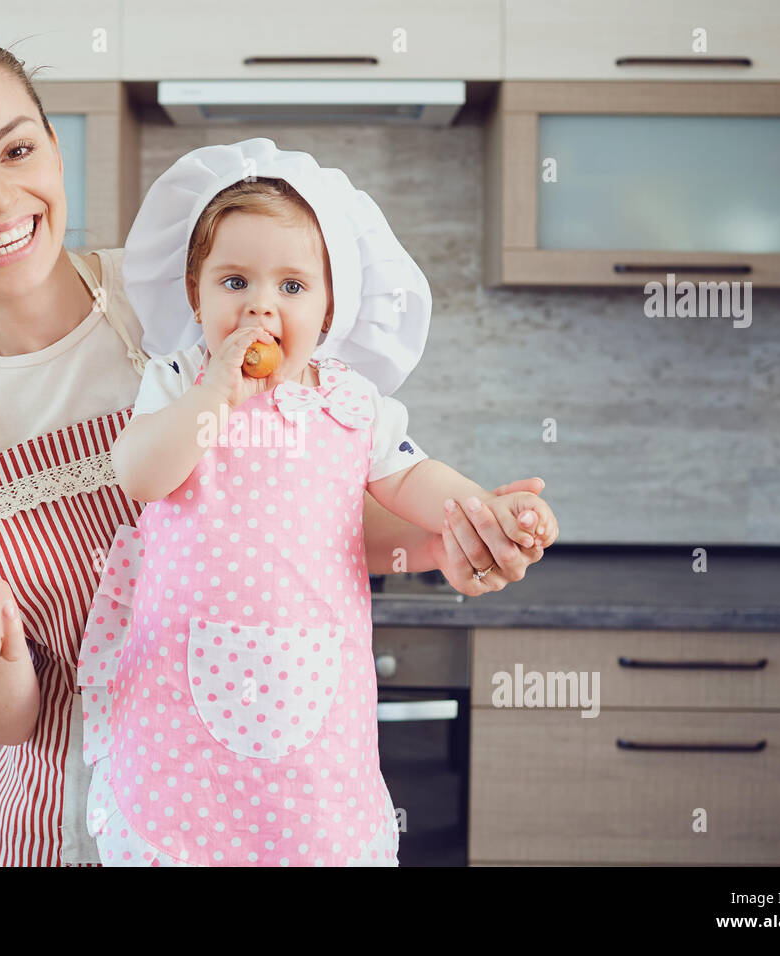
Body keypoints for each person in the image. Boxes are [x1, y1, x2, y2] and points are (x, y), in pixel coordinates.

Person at [0, 20, 554, 867]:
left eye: (16, 150)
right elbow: (5, 717)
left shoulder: (189, 296)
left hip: (253, 796)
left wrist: (454, 539)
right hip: (65, 814)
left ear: (55, 151)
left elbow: (310, 519)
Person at [75, 140, 557, 866]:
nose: (261, 306)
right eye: (235, 280)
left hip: (313, 723)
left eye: (293, 287)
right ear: (194, 293)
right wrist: (218, 394)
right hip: (175, 716)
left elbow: (413, 477)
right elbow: (141, 474)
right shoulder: (180, 381)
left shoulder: (351, 404)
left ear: (332, 306)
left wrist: (486, 509)